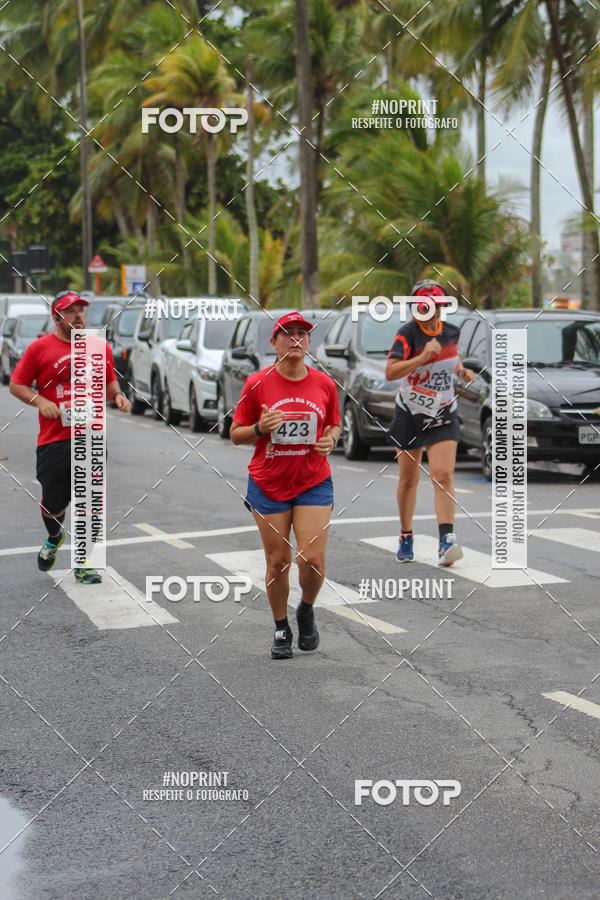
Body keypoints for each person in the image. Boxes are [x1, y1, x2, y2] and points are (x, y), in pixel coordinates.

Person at [230, 311, 341, 659]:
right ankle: (281, 626)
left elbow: (334, 425)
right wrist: (260, 428)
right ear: (274, 342)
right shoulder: (257, 384)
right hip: (269, 482)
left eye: (302, 334)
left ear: (309, 342)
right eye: (287, 333)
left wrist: (331, 440)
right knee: (279, 561)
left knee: (313, 559)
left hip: (313, 480)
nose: (296, 339)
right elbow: (236, 434)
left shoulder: (324, 384)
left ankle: (306, 608)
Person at [9, 290, 131, 583]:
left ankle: (84, 563)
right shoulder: (40, 348)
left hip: (90, 437)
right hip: (53, 440)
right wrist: (41, 402)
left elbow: (110, 380)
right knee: (54, 505)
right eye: (71, 311)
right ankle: (53, 539)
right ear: (57, 317)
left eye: (81, 310)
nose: (78, 316)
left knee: (90, 500)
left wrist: (118, 396)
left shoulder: (100, 347)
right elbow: (17, 385)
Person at [385, 282, 476, 566]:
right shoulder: (407, 334)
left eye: (437, 306)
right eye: (425, 307)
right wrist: (422, 357)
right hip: (410, 412)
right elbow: (390, 372)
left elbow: (453, 356)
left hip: (443, 410)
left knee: (443, 474)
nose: (432, 312)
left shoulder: (451, 332)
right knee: (409, 479)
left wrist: (461, 371)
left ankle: (446, 541)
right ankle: (405, 535)